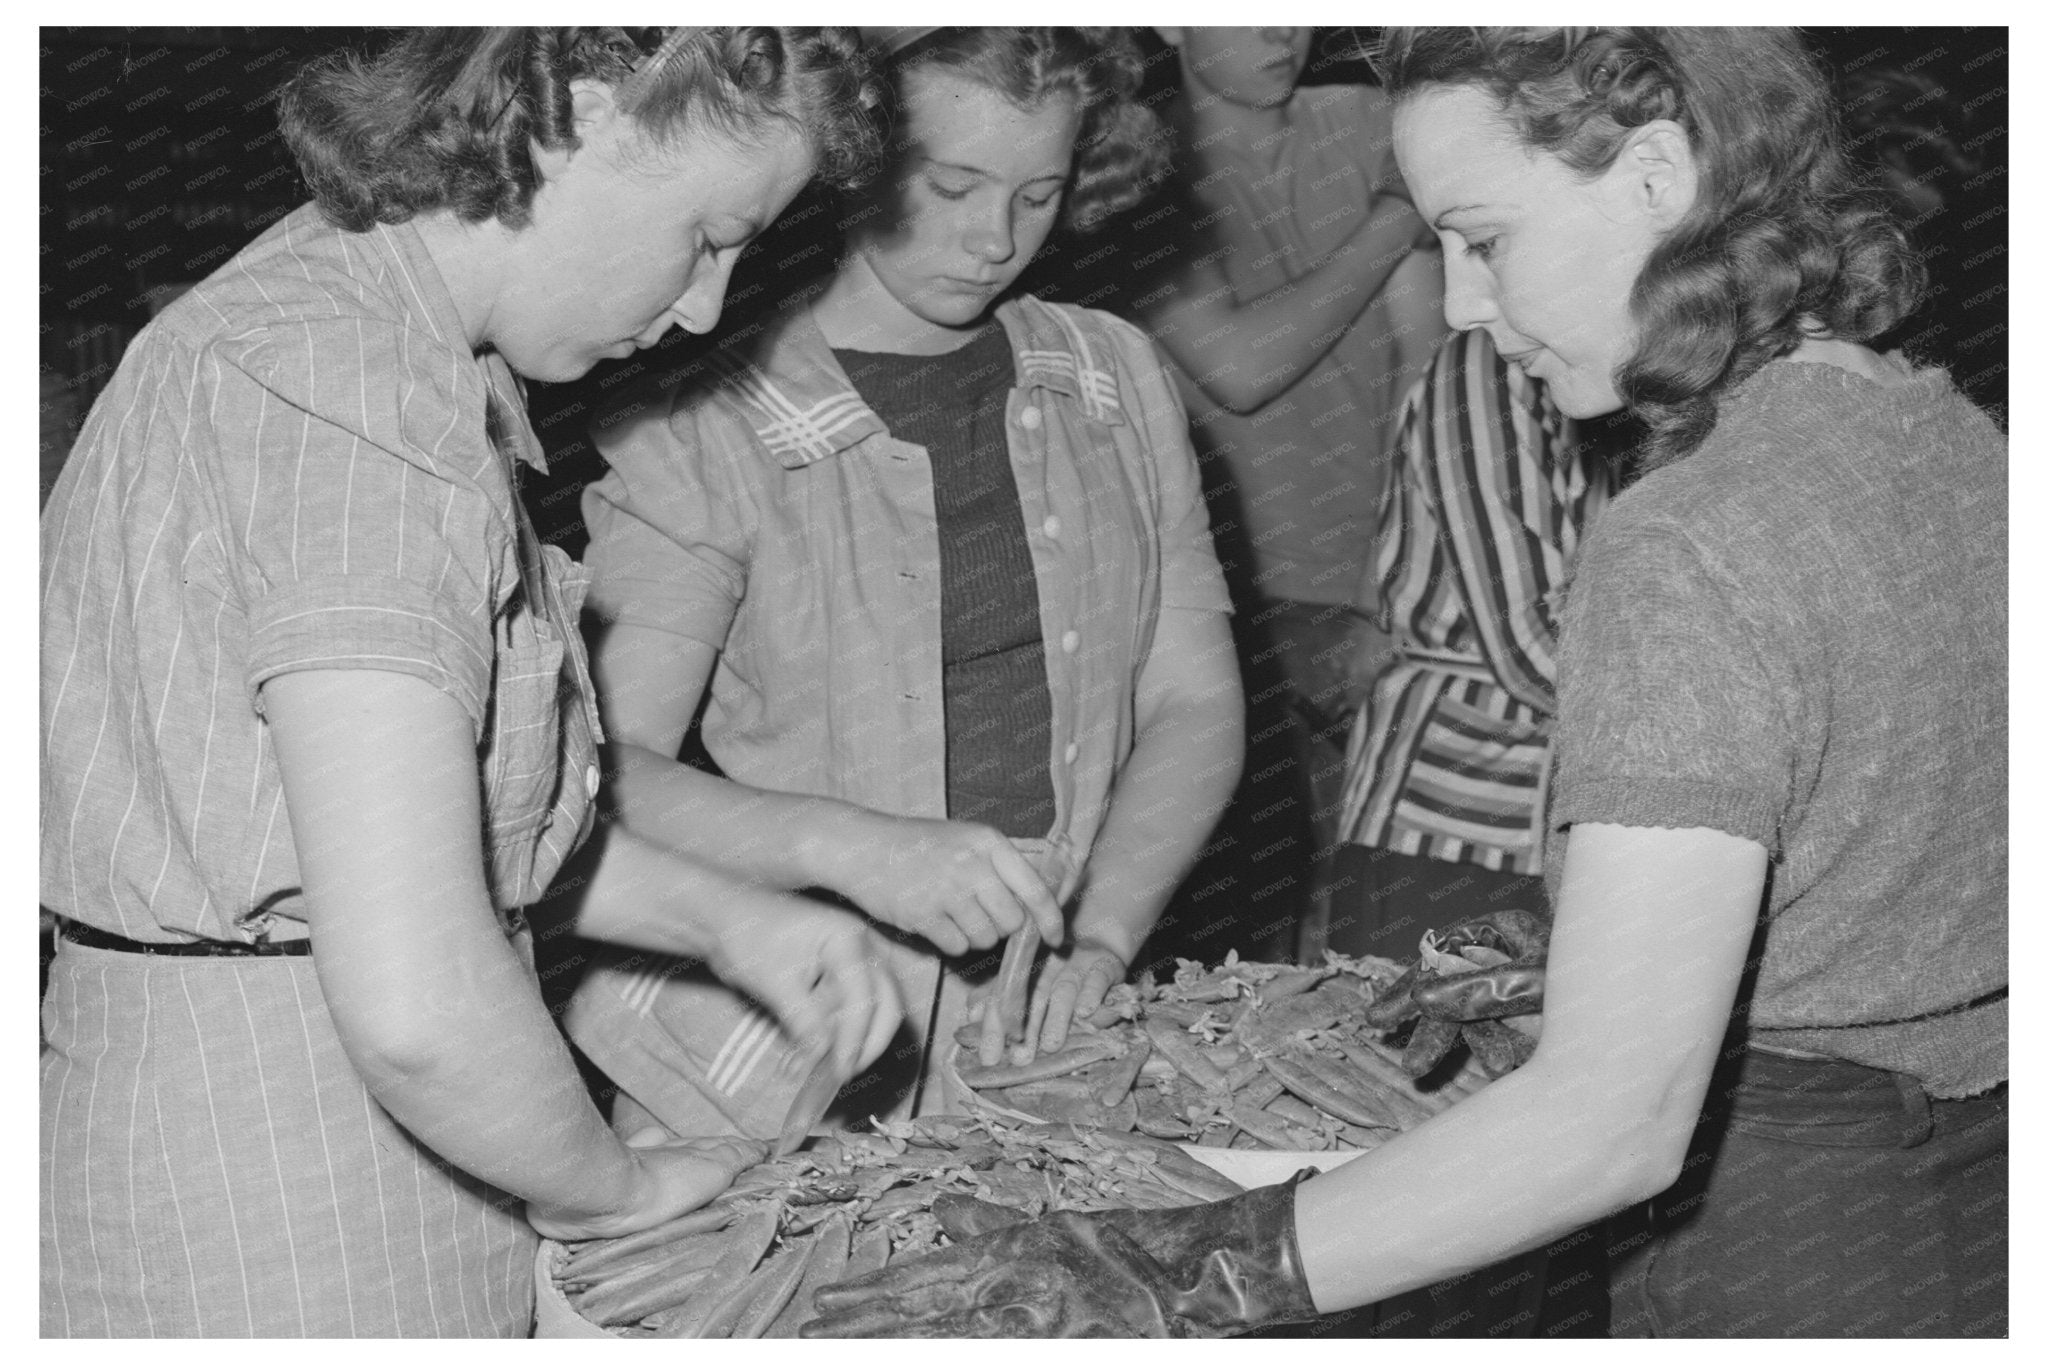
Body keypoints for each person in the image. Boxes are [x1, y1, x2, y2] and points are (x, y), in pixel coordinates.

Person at [800, 26, 2007, 1340]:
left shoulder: (1687, 534)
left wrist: (1158, 1271)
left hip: (1781, 1212)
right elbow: (1890, 854)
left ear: (1658, 175)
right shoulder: (1950, 434)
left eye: (1484, 237)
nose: (1470, 306)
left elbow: (1611, 1127)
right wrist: (1573, 953)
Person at [40, 27, 905, 1337]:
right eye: (710, 234)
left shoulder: (343, 322)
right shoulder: (349, 391)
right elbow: (417, 1008)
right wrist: (612, 1190)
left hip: (315, 1136)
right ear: (593, 114)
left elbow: (387, 837)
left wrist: (725, 919)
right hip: (282, 1185)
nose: (706, 307)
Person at [566, 26, 1241, 1139]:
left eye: (1039, 194)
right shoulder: (701, 425)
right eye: (952, 186)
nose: (994, 240)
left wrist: (1104, 934)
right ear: (856, 162)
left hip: (1049, 1026)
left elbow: (1193, 699)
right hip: (775, 1042)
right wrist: (847, 844)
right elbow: (602, 781)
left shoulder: (1112, 378)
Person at [1132, 27, 1446, 961]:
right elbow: (1240, 363)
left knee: (1389, 917)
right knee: (1260, 934)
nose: (1286, 28)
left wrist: (1421, 565)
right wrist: (1393, 220)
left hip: (1383, 585)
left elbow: (1427, 358)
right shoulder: (1137, 158)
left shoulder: (1372, 120)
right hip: (1228, 601)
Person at [1327, 326, 1609, 959]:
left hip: (1568, 818)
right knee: (1403, 1050)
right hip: (1450, 821)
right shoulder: (1487, 365)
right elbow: (1531, 638)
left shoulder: (1618, 371)